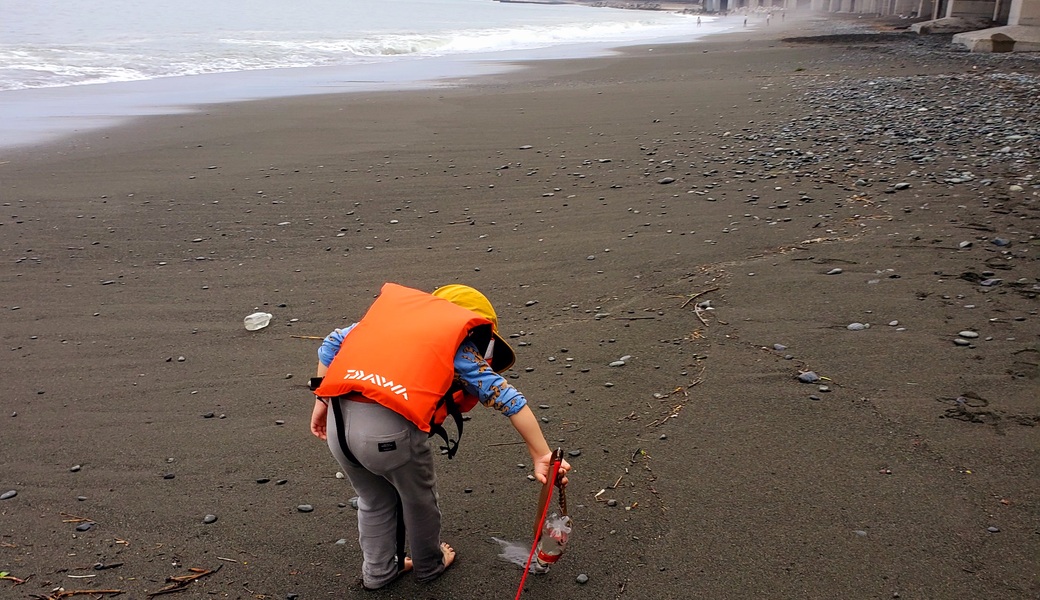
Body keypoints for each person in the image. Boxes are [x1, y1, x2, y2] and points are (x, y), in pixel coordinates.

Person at [309, 282, 571, 590]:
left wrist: (321, 399)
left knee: (372, 500)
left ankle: (378, 573)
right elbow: (508, 399)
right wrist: (541, 454)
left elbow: (330, 343)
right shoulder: (455, 343)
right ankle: (429, 565)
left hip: (340, 423)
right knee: (419, 501)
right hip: (390, 434)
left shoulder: (384, 323)